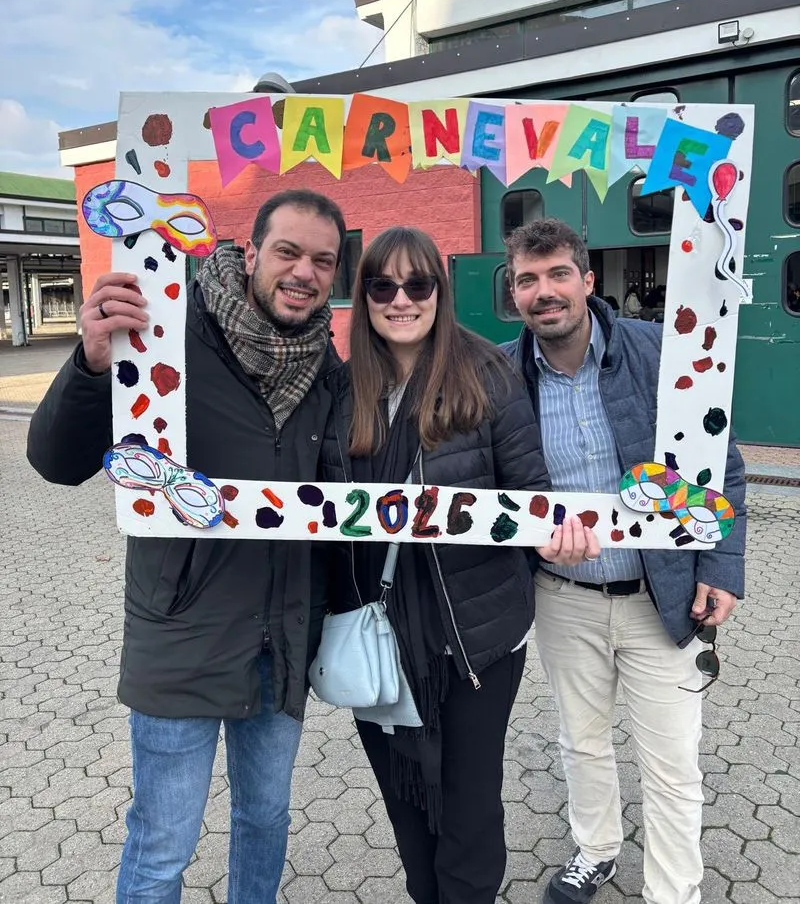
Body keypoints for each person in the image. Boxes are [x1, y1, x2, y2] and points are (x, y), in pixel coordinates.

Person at [27, 189, 347, 904]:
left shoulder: (325, 367)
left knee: (265, 820)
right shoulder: (164, 335)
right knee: (163, 842)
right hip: (182, 634)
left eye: (323, 260)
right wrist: (91, 363)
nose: (305, 272)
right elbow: (54, 460)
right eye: (289, 252)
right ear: (252, 251)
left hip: (281, 642)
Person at [320, 226, 599, 904]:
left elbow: (532, 491)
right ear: (365, 297)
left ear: (439, 293)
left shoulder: (487, 374)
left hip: (473, 637)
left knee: (469, 810)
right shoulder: (341, 386)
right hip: (377, 636)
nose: (401, 299)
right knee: (405, 805)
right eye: (383, 286)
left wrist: (556, 532)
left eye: (418, 284)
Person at [501, 219, 746, 904]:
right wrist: (528, 537)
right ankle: (597, 848)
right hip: (563, 595)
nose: (543, 291)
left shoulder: (662, 351)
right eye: (527, 279)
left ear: (586, 279)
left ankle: (675, 891)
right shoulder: (500, 372)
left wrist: (722, 566)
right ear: (513, 291)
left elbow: (721, 466)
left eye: (556, 274)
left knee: (671, 764)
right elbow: (488, 484)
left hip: (658, 592)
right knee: (580, 741)